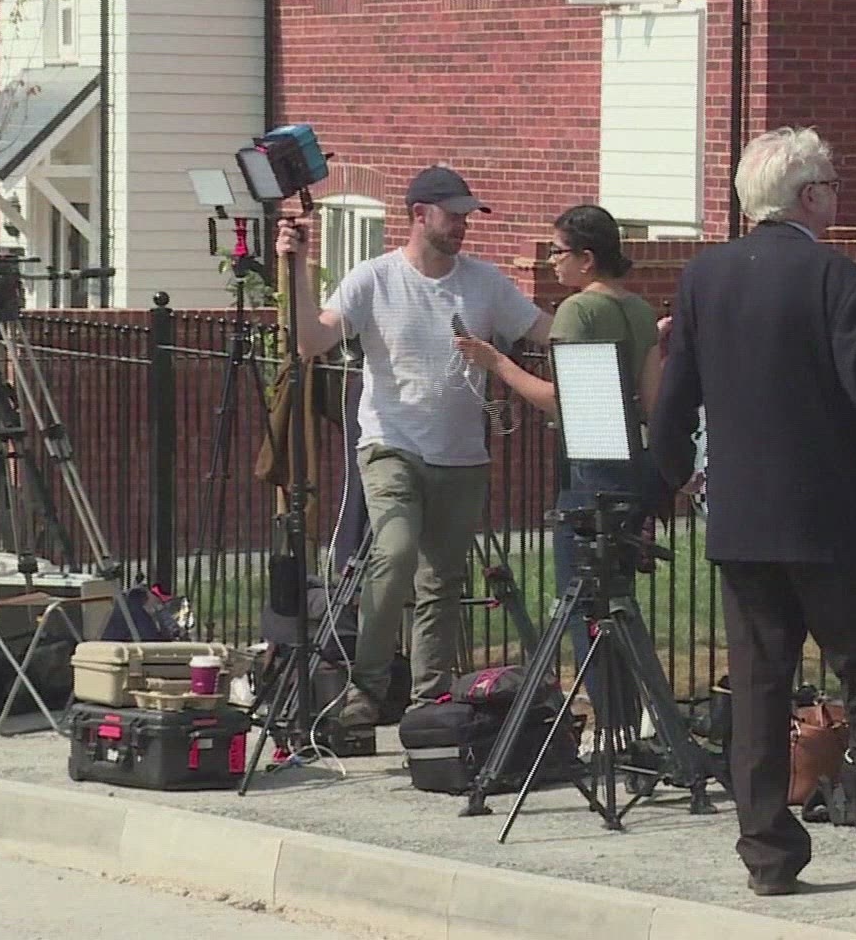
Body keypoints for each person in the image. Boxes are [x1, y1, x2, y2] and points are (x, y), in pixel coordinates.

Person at [652, 126, 856, 899]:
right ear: (806, 196)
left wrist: (668, 476)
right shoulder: (836, 276)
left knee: (759, 691)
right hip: (833, 521)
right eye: (830, 184)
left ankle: (768, 856)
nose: (835, 196)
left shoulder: (705, 277)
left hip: (741, 522)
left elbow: (675, 399)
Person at [276, 164, 552, 726]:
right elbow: (311, 340)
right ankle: (366, 688)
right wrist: (297, 266)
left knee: (442, 582)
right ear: (419, 215)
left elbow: (545, 330)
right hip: (390, 445)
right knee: (395, 553)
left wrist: (615, 318)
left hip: (462, 456)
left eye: (467, 216)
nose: (463, 226)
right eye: (454, 215)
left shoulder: (484, 282)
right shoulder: (374, 278)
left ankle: (429, 704)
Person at [454, 204, 664, 729]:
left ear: (587, 259)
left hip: (590, 467)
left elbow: (565, 401)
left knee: (582, 604)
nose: (551, 262)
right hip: (634, 464)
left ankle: (613, 725)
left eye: (558, 252)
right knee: (618, 602)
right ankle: (635, 722)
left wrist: (496, 362)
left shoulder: (578, 311)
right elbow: (652, 400)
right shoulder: (639, 311)